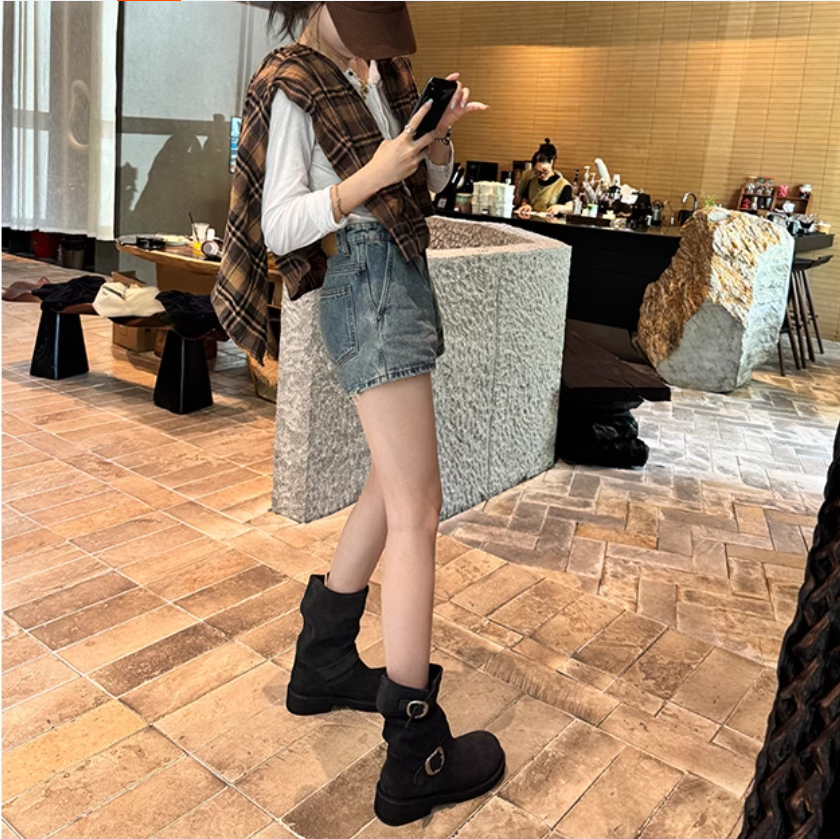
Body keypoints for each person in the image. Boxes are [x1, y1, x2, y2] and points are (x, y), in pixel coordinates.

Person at [212, 1, 505, 827]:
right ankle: (415, 753)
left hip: (400, 278)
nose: (376, 43)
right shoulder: (290, 83)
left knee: (392, 481)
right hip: (366, 283)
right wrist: (370, 176)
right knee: (418, 509)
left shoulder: (382, 72)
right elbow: (279, 224)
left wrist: (435, 145)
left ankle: (325, 657)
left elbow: (422, 189)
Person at [515, 138, 574, 217]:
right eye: (537, 172)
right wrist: (526, 206)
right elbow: (525, 200)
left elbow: (569, 208)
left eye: (545, 171)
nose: (541, 175)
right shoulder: (532, 182)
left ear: (551, 162)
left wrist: (559, 208)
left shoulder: (563, 185)